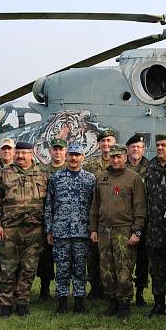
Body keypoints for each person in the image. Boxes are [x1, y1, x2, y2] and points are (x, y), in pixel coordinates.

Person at [0, 141, 49, 317]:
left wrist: (48, 228)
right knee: (8, 268)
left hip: (35, 230)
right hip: (10, 230)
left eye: (25, 153)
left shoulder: (43, 174)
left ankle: (22, 302)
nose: (21, 156)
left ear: (33, 154)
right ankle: (6, 304)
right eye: (18, 153)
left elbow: (50, 203)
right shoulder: (5, 173)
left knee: (29, 268)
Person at [89, 144, 146, 320]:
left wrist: (136, 232)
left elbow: (140, 208)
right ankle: (111, 302)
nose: (115, 160)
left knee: (124, 269)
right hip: (104, 230)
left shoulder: (134, 178)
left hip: (124, 230)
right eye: (113, 157)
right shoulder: (102, 178)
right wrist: (93, 229)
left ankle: (124, 305)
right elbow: (95, 206)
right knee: (106, 269)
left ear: (125, 157)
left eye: (119, 157)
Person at [44, 143, 96, 314]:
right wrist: (49, 229)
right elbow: (49, 205)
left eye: (78, 155)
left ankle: (79, 302)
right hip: (61, 232)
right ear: (66, 156)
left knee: (80, 268)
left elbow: (94, 207)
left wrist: (92, 229)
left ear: (83, 157)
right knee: (62, 269)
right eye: (71, 155)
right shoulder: (56, 178)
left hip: (82, 232)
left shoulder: (90, 179)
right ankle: (62, 302)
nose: (74, 158)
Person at [143, 133, 166, 317]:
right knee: (156, 270)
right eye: (157, 145)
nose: (159, 148)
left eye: (164, 145)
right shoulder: (150, 168)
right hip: (154, 229)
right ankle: (158, 304)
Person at [83, 128, 117, 299]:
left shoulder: (119, 165)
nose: (106, 144)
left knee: (113, 257)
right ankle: (95, 288)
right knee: (93, 255)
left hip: (115, 219)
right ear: (98, 144)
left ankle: (111, 289)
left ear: (114, 142)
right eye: (103, 141)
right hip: (96, 217)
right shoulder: (90, 165)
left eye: (109, 140)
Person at [37, 138, 68, 300]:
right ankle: (44, 288)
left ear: (65, 151)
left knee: (65, 256)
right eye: (55, 149)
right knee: (46, 256)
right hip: (46, 218)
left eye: (60, 149)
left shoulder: (71, 169)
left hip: (66, 219)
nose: (57, 152)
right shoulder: (41, 170)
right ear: (50, 151)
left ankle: (64, 289)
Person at [126, 134, 150, 307]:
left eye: (139, 147)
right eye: (133, 146)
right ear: (128, 149)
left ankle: (140, 292)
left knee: (143, 260)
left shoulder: (151, 167)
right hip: (125, 221)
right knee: (125, 259)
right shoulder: (120, 167)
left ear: (144, 149)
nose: (136, 149)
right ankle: (124, 292)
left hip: (145, 220)